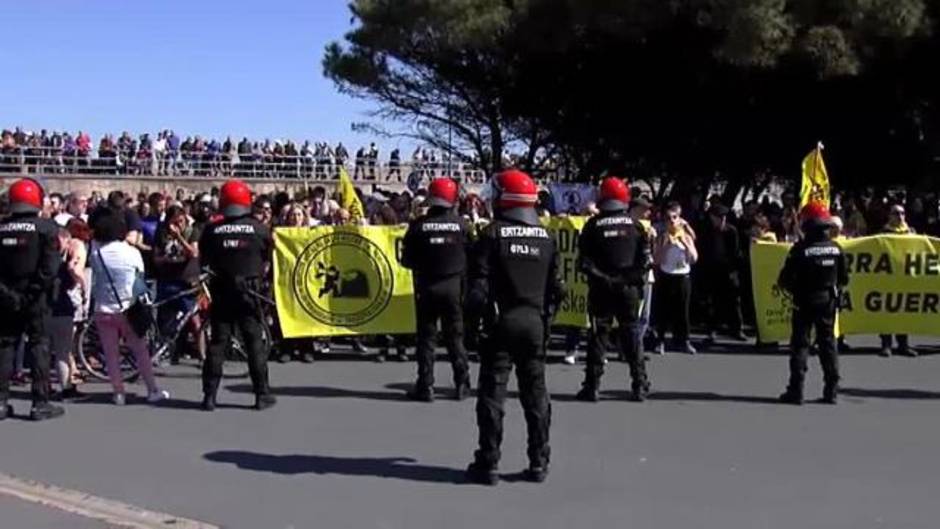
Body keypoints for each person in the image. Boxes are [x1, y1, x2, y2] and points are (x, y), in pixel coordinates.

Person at [465, 169, 563, 485]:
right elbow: (556, 290)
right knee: (536, 395)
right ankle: (539, 461)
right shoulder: (547, 239)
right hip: (534, 323)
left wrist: (472, 327)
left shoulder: (492, 235)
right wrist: (545, 322)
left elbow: (477, 292)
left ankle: (488, 462)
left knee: (493, 394)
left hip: (500, 323)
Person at [199, 180, 276, 411]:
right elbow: (269, 258)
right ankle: (261, 395)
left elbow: (204, 261)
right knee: (254, 344)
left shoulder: (212, 230)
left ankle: (209, 397)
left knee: (217, 345)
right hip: (249, 294)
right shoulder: (259, 229)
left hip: (221, 292)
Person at [574, 178, 650, 402]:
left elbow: (584, 263)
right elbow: (645, 261)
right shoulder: (635, 226)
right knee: (632, 335)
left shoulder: (592, 225)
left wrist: (605, 278)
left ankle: (592, 386)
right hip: (628, 288)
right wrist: (627, 279)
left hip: (601, 288)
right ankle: (639, 384)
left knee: (598, 336)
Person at [90, 207, 170, 406]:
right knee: (140, 351)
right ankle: (152, 389)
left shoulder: (96, 253)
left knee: (110, 353)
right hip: (128, 307)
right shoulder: (132, 252)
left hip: (103, 307)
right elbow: (139, 281)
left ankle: (118, 392)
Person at [400, 178, 472, 401]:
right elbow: (473, 256)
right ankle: (462, 384)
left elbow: (407, 260)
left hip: (427, 287)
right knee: (455, 338)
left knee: (426, 339)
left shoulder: (418, 226)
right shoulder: (463, 225)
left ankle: (425, 386)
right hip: (454, 287)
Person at [0, 179, 65, 421]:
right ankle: (40, 403)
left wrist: (10, 295)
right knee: (39, 346)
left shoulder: (2, 228)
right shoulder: (46, 228)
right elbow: (50, 268)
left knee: (5, 346)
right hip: (37, 298)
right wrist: (31, 293)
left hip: (7, 297)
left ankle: (1, 401)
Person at [778, 202, 848, 405]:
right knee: (828, 345)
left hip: (803, 301)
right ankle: (832, 391)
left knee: (800, 345)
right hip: (827, 301)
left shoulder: (800, 249)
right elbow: (844, 278)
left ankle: (796, 390)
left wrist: (795, 289)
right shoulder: (836, 249)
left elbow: (784, 279)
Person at [652, 202, 698, 355]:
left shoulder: (687, 237)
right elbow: (657, 260)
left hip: (683, 276)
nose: (672, 221)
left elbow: (694, 258)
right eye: (668, 218)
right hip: (666, 275)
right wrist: (666, 246)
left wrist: (684, 242)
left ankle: (683, 340)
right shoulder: (662, 238)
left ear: (680, 219)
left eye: (675, 217)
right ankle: (660, 341)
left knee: (683, 311)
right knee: (663, 310)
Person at [49, 224, 88, 400]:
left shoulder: (44, 261)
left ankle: (44, 386)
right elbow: (71, 280)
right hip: (62, 308)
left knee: (43, 350)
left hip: (44, 308)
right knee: (62, 352)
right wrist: (82, 284)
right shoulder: (63, 264)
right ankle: (66, 388)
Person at [698, 203, 745, 344]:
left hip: (728, 270)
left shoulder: (732, 231)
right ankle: (712, 330)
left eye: (724, 217)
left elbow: (736, 252)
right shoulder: (705, 231)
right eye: (719, 217)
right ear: (712, 217)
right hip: (711, 269)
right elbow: (702, 250)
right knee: (711, 301)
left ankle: (737, 329)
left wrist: (734, 270)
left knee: (734, 301)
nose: (722, 220)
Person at [879, 204, 917, 358]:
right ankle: (886, 345)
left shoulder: (911, 232)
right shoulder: (883, 233)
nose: (900, 216)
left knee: (903, 312)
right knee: (886, 311)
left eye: (902, 213)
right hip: (888, 279)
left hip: (905, 279)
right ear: (890, 216)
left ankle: (903, 344)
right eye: (896, 213)